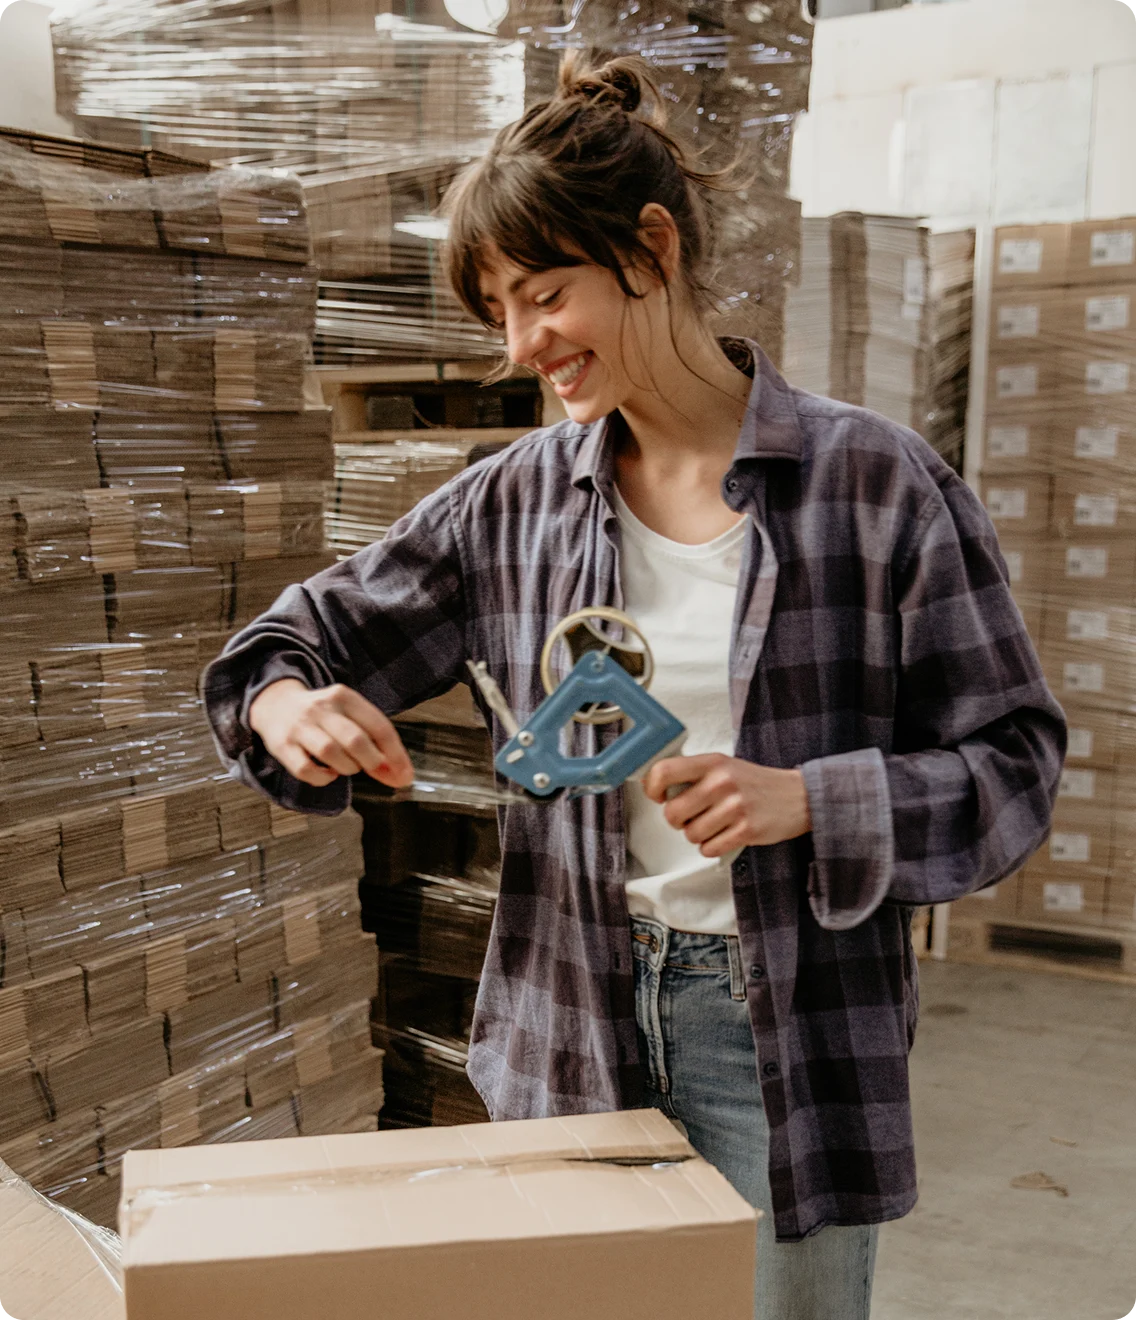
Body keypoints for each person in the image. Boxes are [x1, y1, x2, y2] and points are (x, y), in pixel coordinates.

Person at [202, 53, 1065, 1320]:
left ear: (649, 250)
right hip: (567, 1010)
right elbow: (279, 650)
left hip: (776, 1030)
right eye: (497, 309)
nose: (520, 345)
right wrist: (291, 704)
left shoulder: (874, 488)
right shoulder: (513, 503)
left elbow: (1012, 764)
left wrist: (810, 800)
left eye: (544, 295)